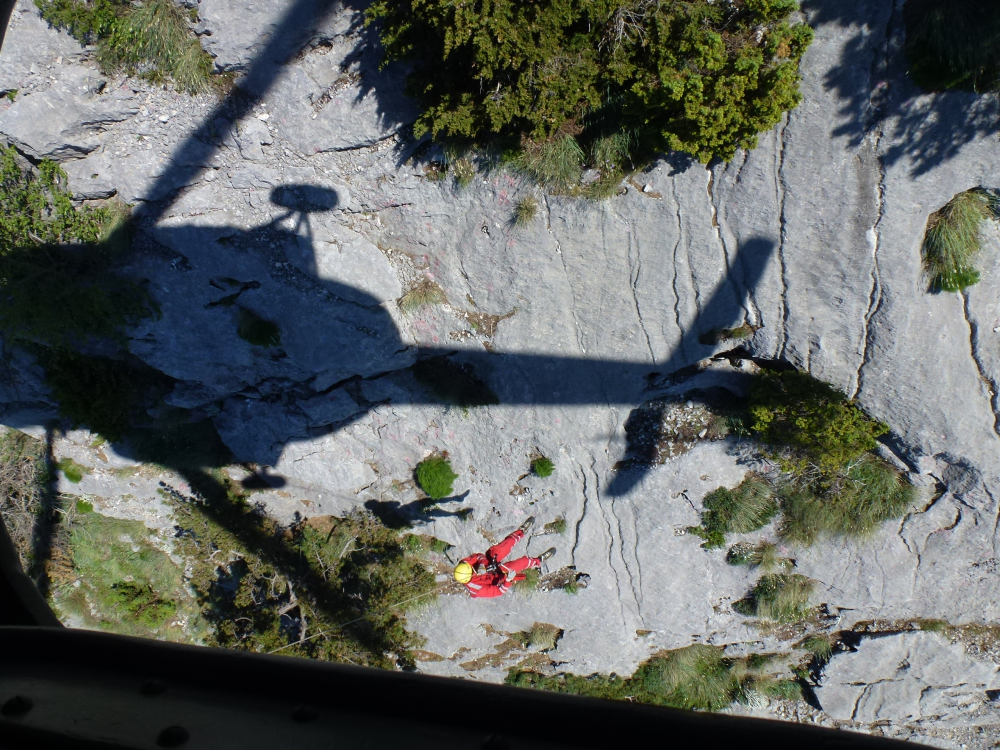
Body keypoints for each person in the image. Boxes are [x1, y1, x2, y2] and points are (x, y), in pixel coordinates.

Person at [453, 516, 556, 598]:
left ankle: (521, 531)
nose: (472, 569)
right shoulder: (477, 590)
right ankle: (539, 560)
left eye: (471, 568)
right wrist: (508, 580)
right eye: (472, 571)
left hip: (489, 562)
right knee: (520, 564)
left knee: (503, 548)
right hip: (498, 577)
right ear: (469, 577)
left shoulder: (465, 563)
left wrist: (482, 565)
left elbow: (479, 556)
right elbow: (499, 591)